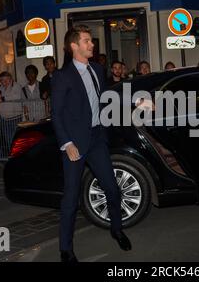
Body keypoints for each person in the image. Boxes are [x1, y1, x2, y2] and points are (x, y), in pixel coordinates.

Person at [51, 25, 131, 263]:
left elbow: (108, 97)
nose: (92, 44)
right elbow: (56, 114)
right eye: (87, 41)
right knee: (71, 197)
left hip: (97, 139)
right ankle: (65, 249)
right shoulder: (62, 76)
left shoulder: (97, 69)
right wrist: (67, 143)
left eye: (91, 41)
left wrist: (137, 102)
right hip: (74, 143)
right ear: (74, 46)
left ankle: (116, 229)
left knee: (112, 188)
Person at [0, 71, 23, 158]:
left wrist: (2, 98)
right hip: (4, 119)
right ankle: (13, 157)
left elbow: (16, 96)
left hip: (15, 118)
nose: (4, 82)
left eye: (6, 80)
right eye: (1, 80)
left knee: (15, 140)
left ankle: (18, 158)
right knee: (8, 140)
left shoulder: (16, 86)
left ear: (10, 79)